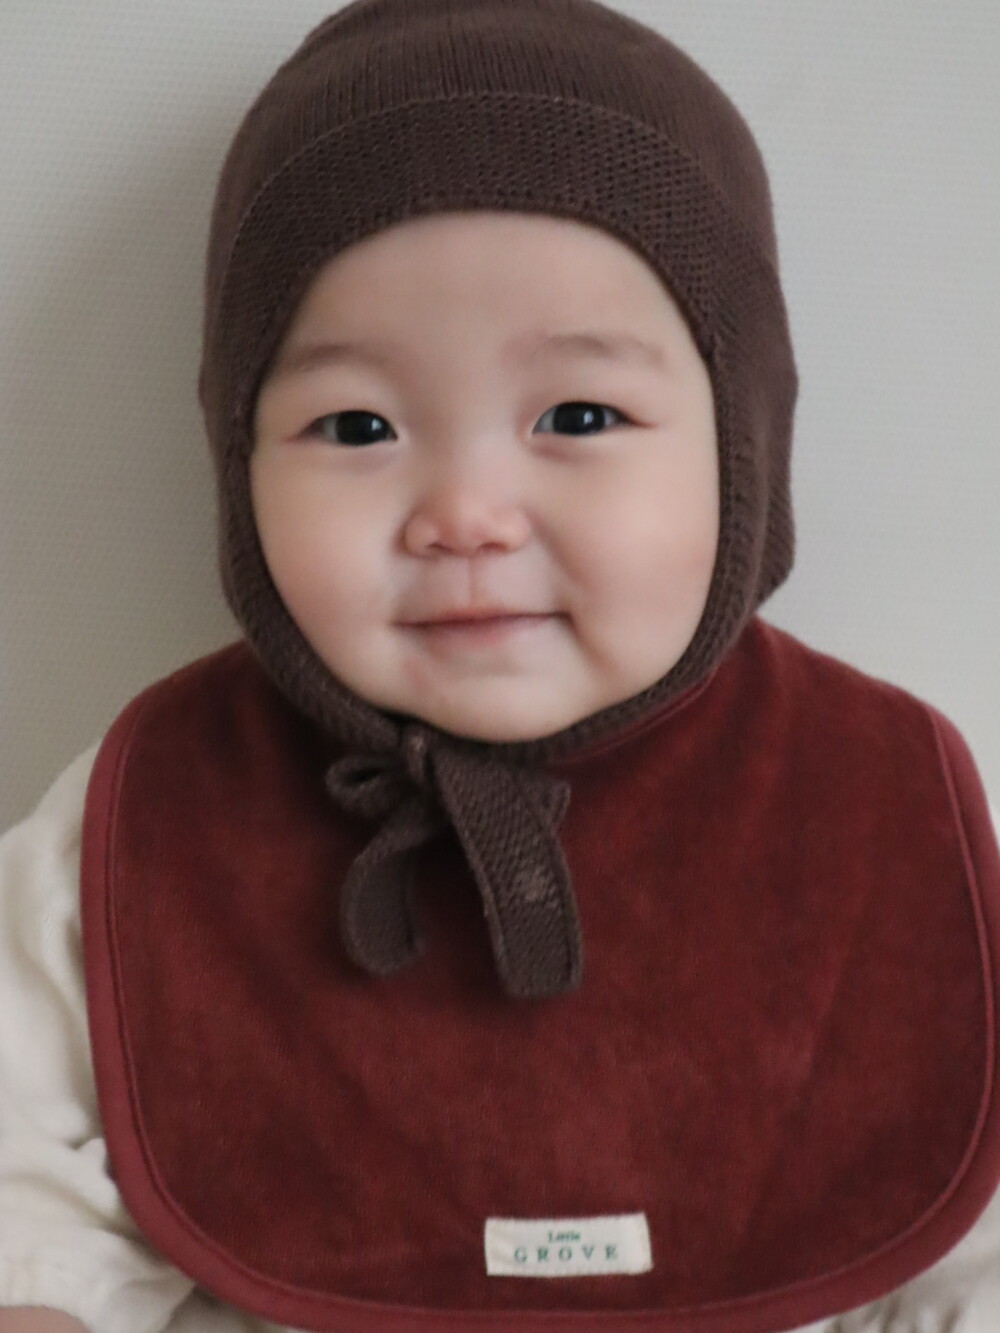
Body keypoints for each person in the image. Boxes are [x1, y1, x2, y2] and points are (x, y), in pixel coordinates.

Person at [2, 0, 999, 1330]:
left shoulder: (870, 801)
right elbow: (21, 1182)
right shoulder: (156, 815)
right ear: (237, 463)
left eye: (579, 414)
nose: (466, 514)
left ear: (744, 444)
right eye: (356, 425)